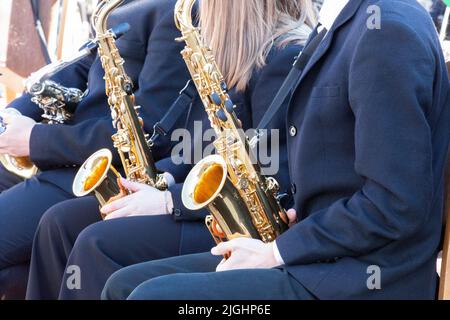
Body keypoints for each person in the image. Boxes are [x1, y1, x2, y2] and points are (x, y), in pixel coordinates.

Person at [103, 0, 450, 300]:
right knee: (124, 285)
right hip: (325, 259)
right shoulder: (350, 19)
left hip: (360, 280)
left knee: (151, 296)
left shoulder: (386, 31)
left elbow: (394, 204)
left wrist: (276, 251)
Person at [26, 0, 316, 300]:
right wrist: (161, 180)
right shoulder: (231, 59)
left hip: (241, 227)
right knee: (60, 223)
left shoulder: (283, 57)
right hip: (204, 207)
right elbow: (199, 146)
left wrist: (168, 201)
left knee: (96, 243)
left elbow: (271, 180)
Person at [0, 0, 191, 299]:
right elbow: (86, 62)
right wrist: (16, 113)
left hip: (102, 171)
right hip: (67, 154)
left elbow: (150, 130)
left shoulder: (178, 13)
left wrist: (35, 140)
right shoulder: (125, 5)